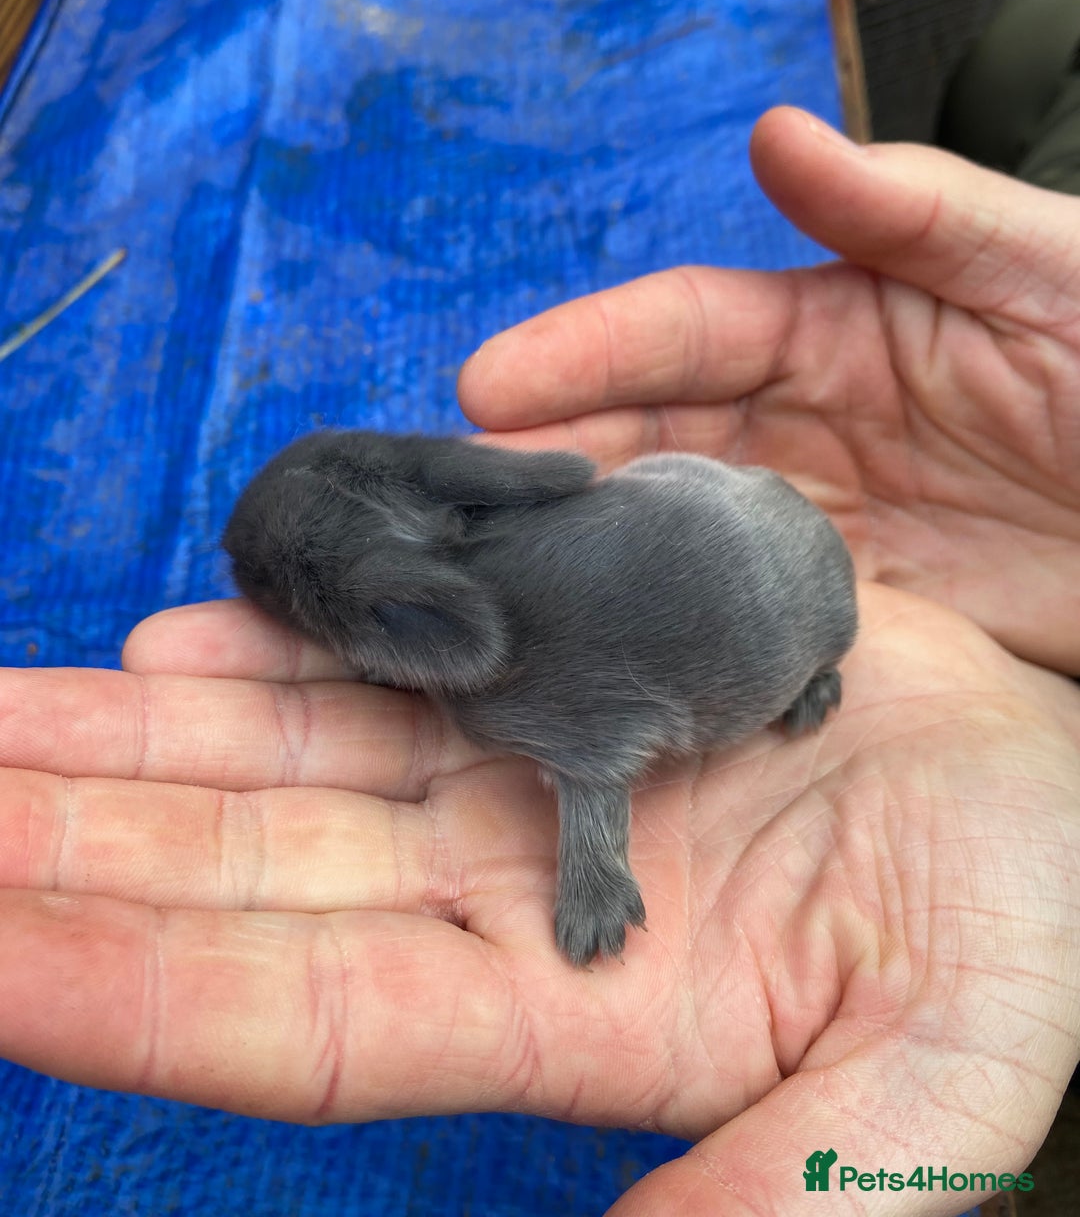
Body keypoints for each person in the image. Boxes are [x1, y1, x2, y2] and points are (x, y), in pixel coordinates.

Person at [0, 106, 1077, 1215]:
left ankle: (803, 666)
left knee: (708, 638)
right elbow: (553, 494)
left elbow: (598, 746)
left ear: (402, 631)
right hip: (727, 512)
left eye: (273, 590)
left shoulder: (509, 692)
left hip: (791, 607)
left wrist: (595, 873)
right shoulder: (496, 525)